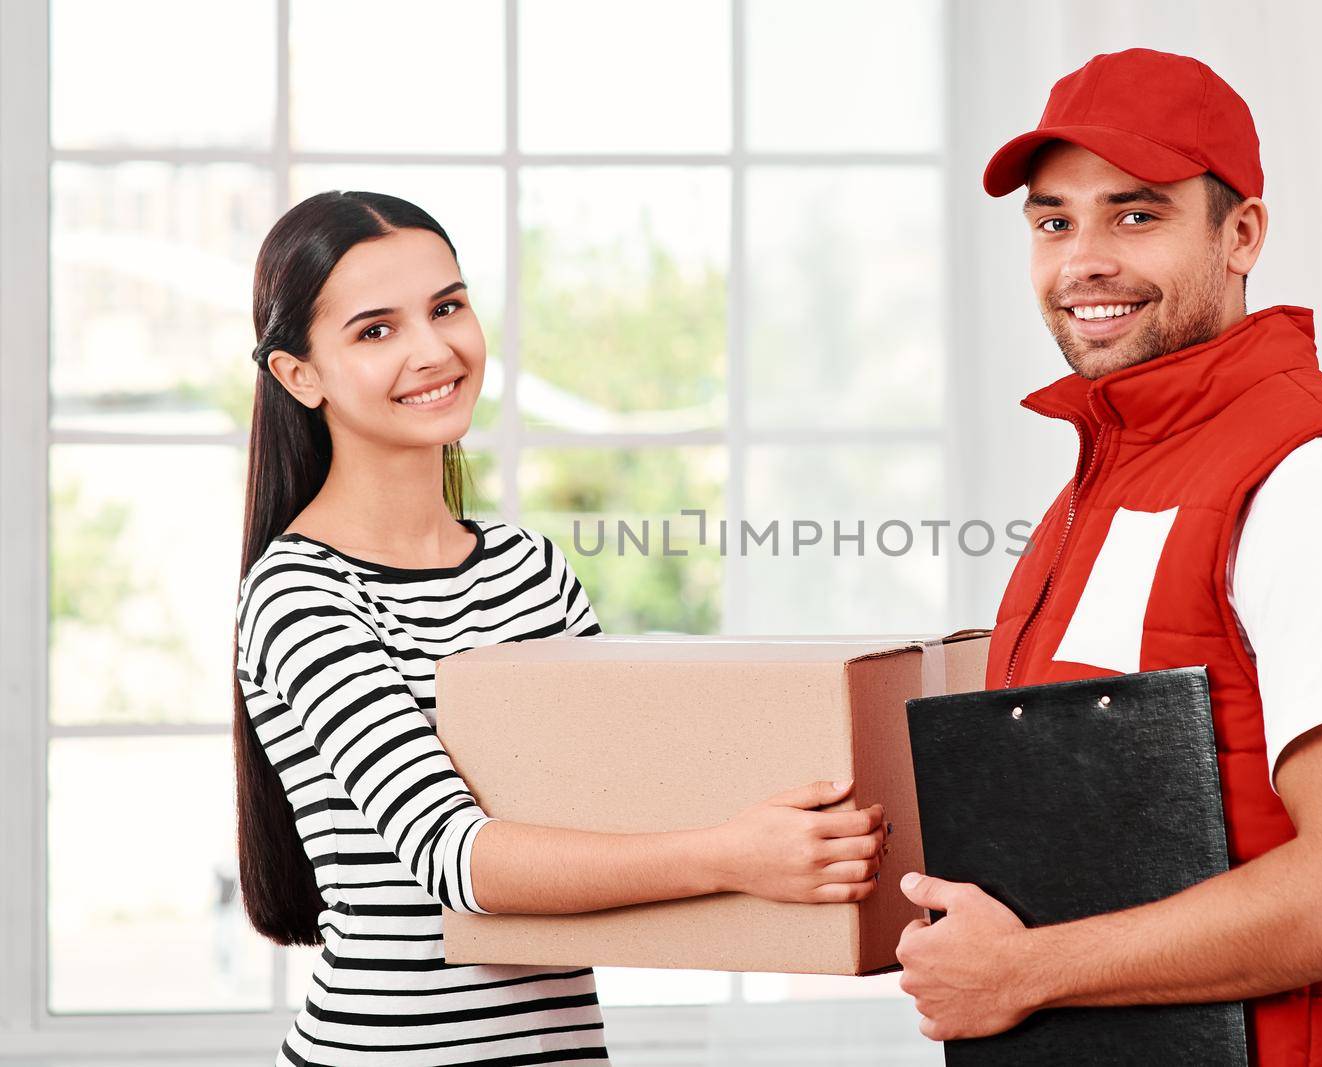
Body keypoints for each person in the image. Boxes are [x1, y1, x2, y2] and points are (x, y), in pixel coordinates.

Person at [232, 191, 887, 1067]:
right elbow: (461, 862)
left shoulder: (525, 566)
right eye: (375, 330)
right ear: (299, 375)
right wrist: (736, 855)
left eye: (447, 307)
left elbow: (615, 807)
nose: (434, 350)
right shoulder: (299, 592)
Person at [895, 48, 1322, 1065]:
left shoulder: (1312, 483)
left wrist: (1023, 970)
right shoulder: (1102, 487)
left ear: (1239, 234)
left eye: (1136, 214)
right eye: (1053, 220)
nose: (1083, 260)